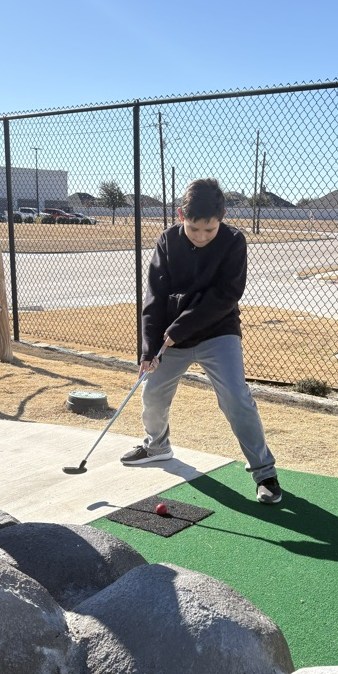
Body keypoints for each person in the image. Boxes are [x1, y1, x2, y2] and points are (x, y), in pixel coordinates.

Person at [120, 178, 282, 504]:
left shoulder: (234, 241)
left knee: (236, 397)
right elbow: (155, 297)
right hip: (172, 339)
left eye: (210, 230)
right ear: (181, 215)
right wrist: (149, 349)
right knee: (152, 393)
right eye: (195, 229)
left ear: (222, 217)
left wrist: (179, 328)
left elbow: (225, 296)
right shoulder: (167, 241)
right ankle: (157, 446)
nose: (203, 236)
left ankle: (265, 473)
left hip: (217, 332)